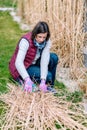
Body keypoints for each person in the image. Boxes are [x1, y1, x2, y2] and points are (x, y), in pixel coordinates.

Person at [9, 21, 58, 92]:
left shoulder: (46, 41)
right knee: (48, 76)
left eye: (44, 37)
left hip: (35, 61)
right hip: (25, 65)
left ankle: (48, 85)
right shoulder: (25, 41)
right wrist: (27, 79)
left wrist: (43, 80)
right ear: (35, 35)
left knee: (53, 57)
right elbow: (18, 62)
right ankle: (25, 80)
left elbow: (44, 60)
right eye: (39, 37)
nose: (41, 40)